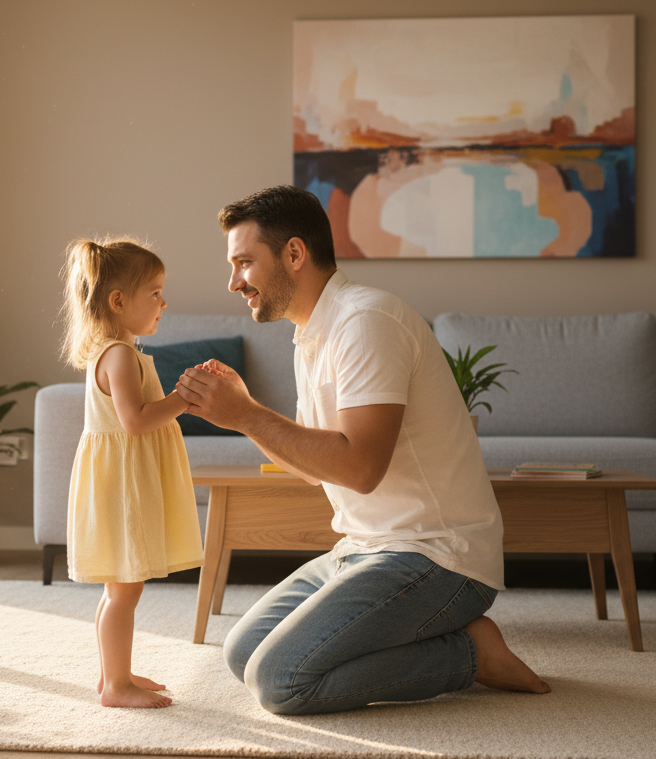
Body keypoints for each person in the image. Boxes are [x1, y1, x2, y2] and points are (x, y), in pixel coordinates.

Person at [174, 186, 550, 715]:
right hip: (362, 549)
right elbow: (313, 469)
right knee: (242, 656)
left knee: (280, 681)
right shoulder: (312, 333)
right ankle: (428, 637)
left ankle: (471, 654)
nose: (234, 282)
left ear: (295, 254)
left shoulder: (366, 321)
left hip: (437, 554)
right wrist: (244, 413)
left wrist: (246, 414)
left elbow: (360, 468)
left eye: (244, 263)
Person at [59, 237, 204, 708]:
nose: (165, 302)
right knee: (124, 590)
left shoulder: (120, 349)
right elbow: (135, 420)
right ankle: (116, 686)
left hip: (121, 478)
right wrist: (185, 398)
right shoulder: (118, 355)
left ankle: (111, 676)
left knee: (119, 588)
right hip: (122, 485)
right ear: (118, 301)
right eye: (156, 293)